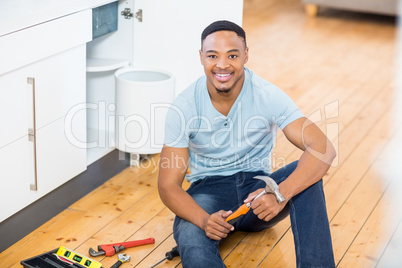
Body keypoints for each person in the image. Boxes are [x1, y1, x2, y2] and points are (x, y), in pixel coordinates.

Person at [158, 20, 336, 268]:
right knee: (190, 236)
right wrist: (203, 219)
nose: (222, 64)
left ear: (246, 55)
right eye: (212, 56)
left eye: (232, 55)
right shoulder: (184, 106)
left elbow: (323, 148)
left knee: (308, 173)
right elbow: (168, 185)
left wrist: (280, 193)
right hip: (208, 192)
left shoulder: (267, 94)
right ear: (201, 57)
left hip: (259, 192)